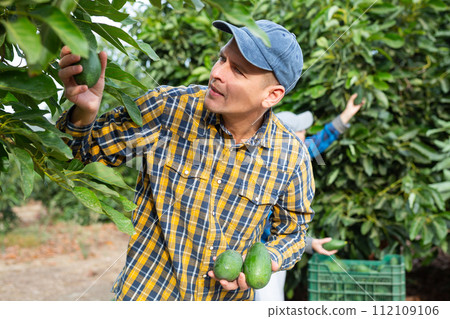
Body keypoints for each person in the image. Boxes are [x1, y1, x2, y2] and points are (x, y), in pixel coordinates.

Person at [56, 20, 315, 300]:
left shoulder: (291, 156)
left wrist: (271, 257)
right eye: (221, 59)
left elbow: (293, 231)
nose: (217, 73)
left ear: (272, 95)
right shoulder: (169, 109)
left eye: (237, 71)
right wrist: (85, 112)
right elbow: (77, 159)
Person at [255, 94, 364, 301]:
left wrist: (347, 114)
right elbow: (269, 224)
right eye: (302, 131)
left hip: (275, 255)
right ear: (290, 137)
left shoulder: (293, 153)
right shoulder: (270, 172)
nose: (307, 134)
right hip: (260, 254)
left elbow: (321, 140)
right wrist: (308, 243)